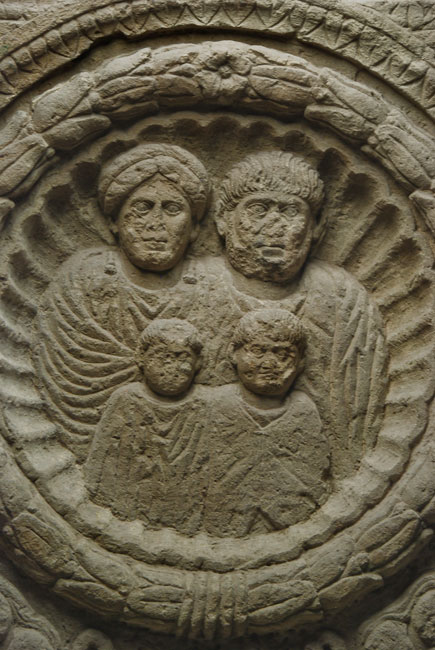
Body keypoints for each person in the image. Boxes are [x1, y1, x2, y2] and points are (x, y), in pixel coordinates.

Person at [215, 151, 388, 479]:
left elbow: (357, 414)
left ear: (316, 227)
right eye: (258, 209)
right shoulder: (194, 286)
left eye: (290, 211)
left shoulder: (340, 296)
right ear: (223, 219)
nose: (274, 226)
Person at [35, 144, 211, 460]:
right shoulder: (83, 280)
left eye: (172, 209)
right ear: (114, 221)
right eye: (142, 207)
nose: (156, 223)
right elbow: (64, 382)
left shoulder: (212, 286)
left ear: (195, 227)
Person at [204, 309, 330, 537]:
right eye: (257, 351)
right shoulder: (217, 405)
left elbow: (314, 481)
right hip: (224, 523)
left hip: (292, 523)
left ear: (301, 361)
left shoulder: (303, 411)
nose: (269, 363)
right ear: (233, 353)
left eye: (283, 354)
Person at [84, 318, 209, 535]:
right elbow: (98, 469)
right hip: (129, 511)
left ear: (198, 363)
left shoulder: (207, 404)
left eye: (182, 357)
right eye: (163, 357)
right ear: (141, 358)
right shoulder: (126, 400)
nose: (172, 367)